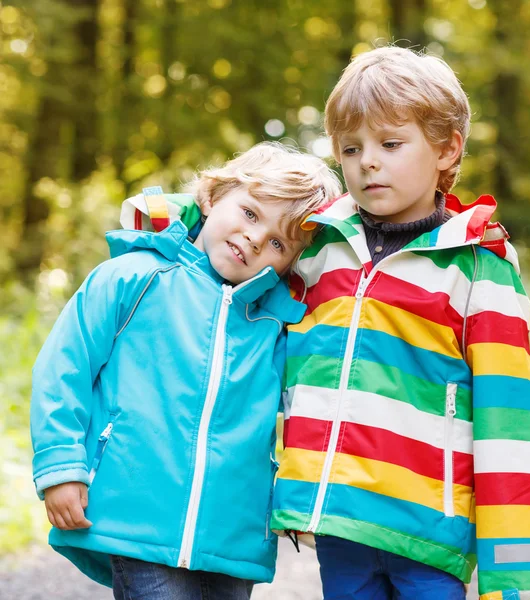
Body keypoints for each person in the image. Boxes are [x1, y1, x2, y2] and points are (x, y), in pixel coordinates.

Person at [271, 46, 530, 600]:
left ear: (448, 149)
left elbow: (508, 430)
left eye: (390, 144)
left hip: (430, 532)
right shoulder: (319, 248)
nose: (367, 161)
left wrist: (515, 587)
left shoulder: (476, 270)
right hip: (339, 520)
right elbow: (236, 231)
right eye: (350, 149)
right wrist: (167, 219)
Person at [30, 142, 341, 599]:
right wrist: (61, 465)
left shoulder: (280, 325)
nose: (256, 239)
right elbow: (64, 367)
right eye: (251, 214)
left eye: (278, 242)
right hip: (138, 517)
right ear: (213, 197)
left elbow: (311, 413)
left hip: (233, 535)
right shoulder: (133, 276)